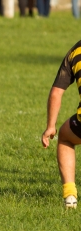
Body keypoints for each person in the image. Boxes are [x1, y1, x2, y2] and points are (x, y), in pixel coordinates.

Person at [41, 39, 81, 209]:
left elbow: (56, 92)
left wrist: (51, 126)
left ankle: (70, 195)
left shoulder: (75, 52)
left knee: (65, 137)